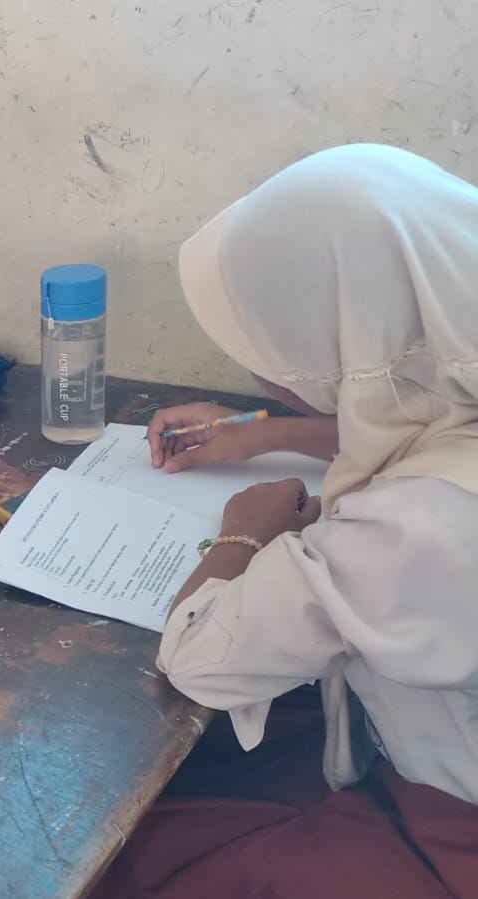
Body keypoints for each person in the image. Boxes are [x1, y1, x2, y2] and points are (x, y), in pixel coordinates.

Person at [100, 144, 478, 896]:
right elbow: (420, 425)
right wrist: (262, 430)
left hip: (449, 824)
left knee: (135, 848)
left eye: (264, 341)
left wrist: (244, 532)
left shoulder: (414, 528)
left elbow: (199, 659)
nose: (256, 365)